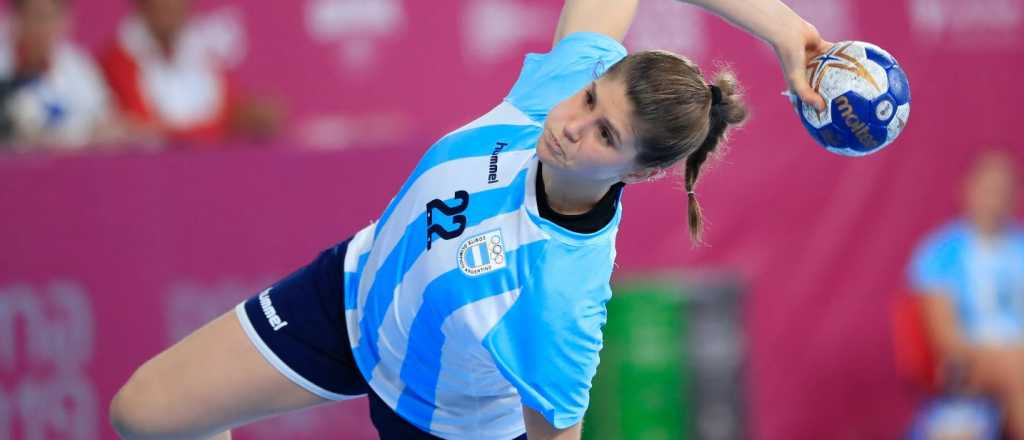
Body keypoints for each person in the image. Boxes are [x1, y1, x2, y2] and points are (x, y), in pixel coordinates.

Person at [109, 0, 831, 438]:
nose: (575, 127)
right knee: (143, 414)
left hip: (444, 426)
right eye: (589, 103)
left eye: (607, 137)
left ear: (639, 173)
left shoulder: (560, 298)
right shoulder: (560, 84)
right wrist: (787, 32)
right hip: (350, 298)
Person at [909, 150, 1024, 439]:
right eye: (989, 189)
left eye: (1003, 190)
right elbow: (947, 340)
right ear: (967, 189)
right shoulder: (940, 254)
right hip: (966, 364)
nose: (995, 199)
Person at [97, 0, 281, 146]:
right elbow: (147, 134)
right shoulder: (117, 61)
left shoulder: (204, 55)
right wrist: (229, 125)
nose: (170, 4)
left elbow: (231, 111)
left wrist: (250, 117)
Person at [0, 0, 121, 150]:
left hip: (67, 167)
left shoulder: (78, 67)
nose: (41, 27)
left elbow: (108, 123)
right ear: (15, 19)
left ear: (64, 22)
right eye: (35, 16)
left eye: (49, 17)